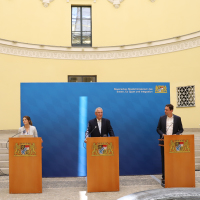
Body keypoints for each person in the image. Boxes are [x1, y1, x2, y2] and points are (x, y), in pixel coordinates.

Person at [156, 104, 183, 185]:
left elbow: (181, 129)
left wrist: (177, 134)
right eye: (165, 109)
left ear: (171, 110)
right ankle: (164, 176)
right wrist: (163, 134)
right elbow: (158, 129)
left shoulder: (178, 118)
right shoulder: (162, 118)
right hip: (164, 142)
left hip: (175, 143)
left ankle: (175, 175)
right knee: (164, 159)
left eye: (167, 110)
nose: (165, 111)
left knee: (174, 159)